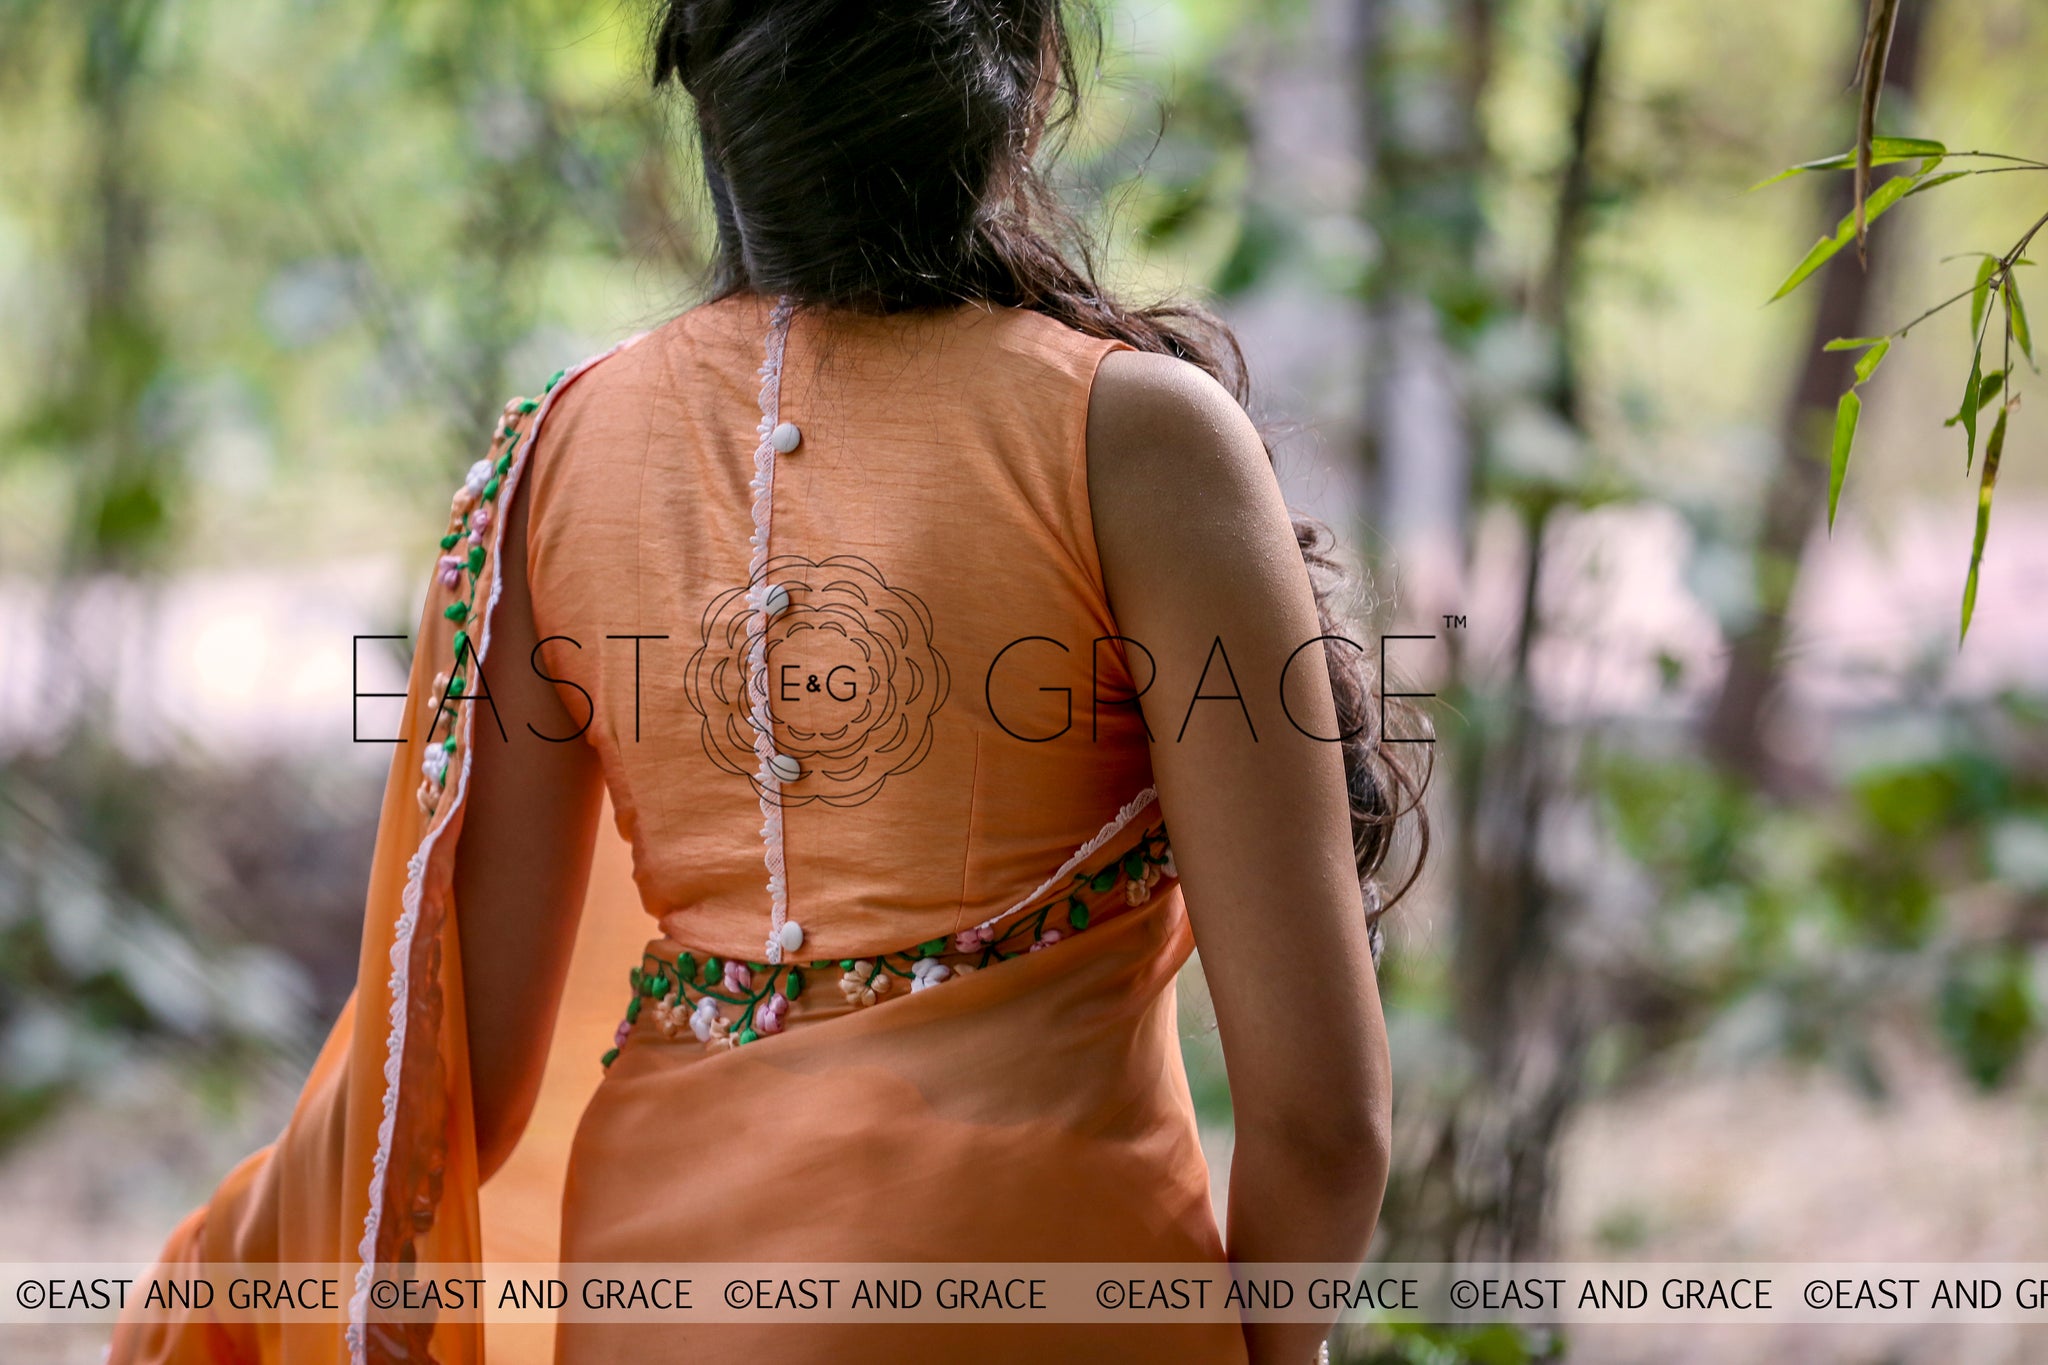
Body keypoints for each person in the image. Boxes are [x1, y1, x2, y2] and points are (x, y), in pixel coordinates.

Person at [110, 2, 1427, 1362]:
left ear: (715, 110)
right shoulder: (1138, 442)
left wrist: (215, 1283)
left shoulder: (552, 459)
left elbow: (460, 1079)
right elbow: (1324, 1117)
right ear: (1026, 89)